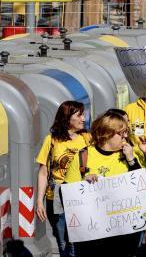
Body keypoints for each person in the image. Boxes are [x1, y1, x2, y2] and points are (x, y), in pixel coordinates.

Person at [63, 111, 143, 256]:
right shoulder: (83, 156)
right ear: (106, 134)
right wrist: (83, 183)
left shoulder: (128, 155)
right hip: (92, 237)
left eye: (126, 132)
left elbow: (140, 188)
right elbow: (66, 194)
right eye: (121, 133)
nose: (125, 136)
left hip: (123, 236)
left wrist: (131, 159)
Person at [34, 100, 89, 257]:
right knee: (62, 240)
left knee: (77, 239)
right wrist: (39, 201)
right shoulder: (51, 140)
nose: (83, 119)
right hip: (57, 195)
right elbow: (44, 172)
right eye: (79, 115)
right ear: (67, 117)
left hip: (80, 194)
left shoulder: (86, 138)